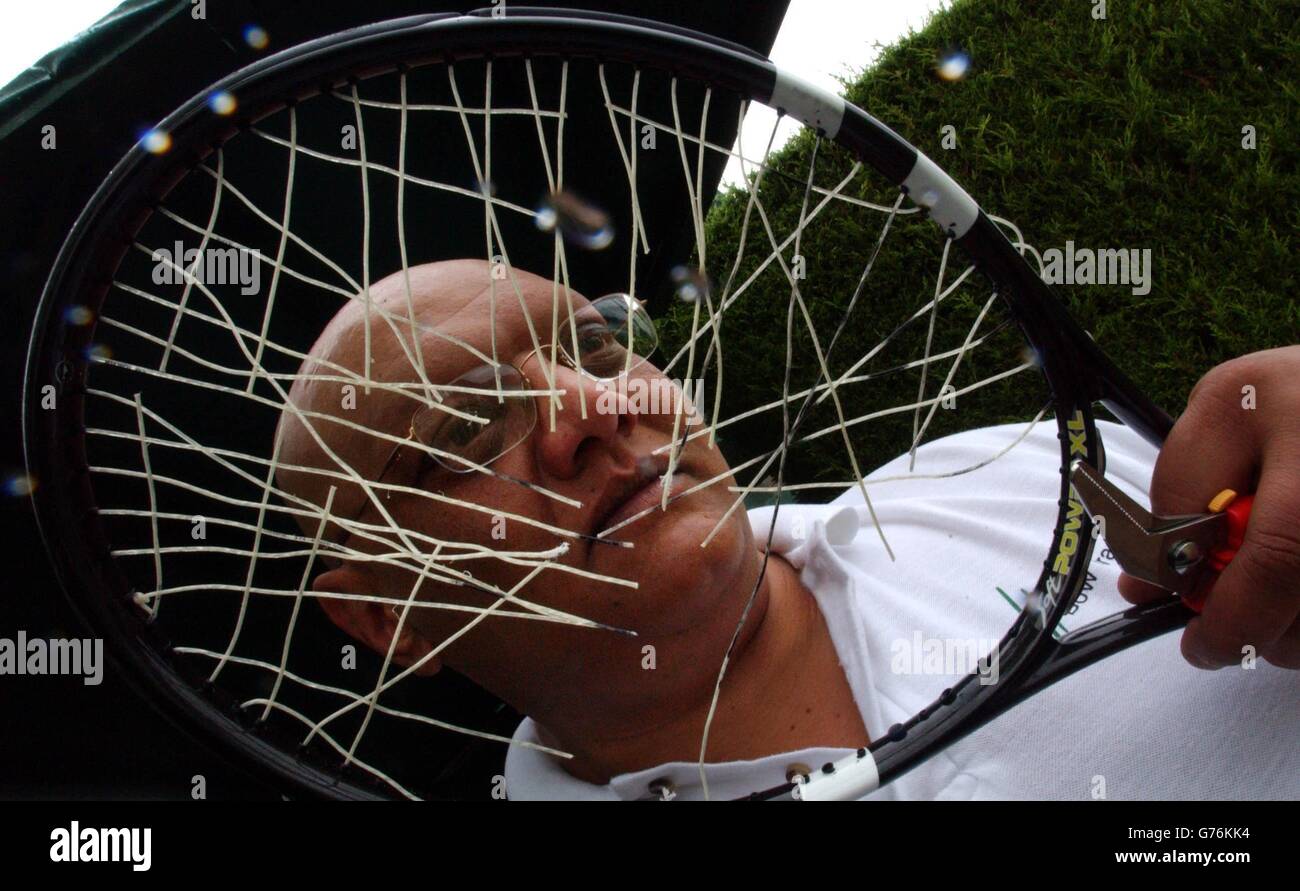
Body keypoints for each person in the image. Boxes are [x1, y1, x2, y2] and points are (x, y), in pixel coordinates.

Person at [275, 259, 1298, 800]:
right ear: (387, 615)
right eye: (459, 428)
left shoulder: (1022, 478)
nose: (589, 410)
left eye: (592, 345)